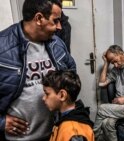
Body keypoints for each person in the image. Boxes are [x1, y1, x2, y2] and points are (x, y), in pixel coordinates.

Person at [0, 0, 76, 140]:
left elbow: (71, 73)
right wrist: (2, 122)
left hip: (54, 134)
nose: (59, 27)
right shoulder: (3, 46)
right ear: (39, 18)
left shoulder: (57, 44)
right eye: (56, 20)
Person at [42, 70, 94, 141]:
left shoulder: (74, 132)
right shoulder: (64, 118)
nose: (43, 98)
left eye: (47, 94)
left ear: (62, 95)